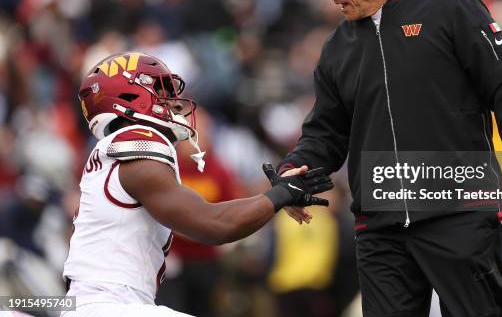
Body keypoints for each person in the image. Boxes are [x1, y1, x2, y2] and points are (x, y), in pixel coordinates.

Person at [276, 0, 502, 317]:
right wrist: (293, 173)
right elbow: (325, 133)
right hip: (379, 226)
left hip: (457, 211)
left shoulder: (452, 8)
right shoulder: (337, 46)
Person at [62, 52, 333, 317]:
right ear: (131, 98)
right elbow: (214, 223)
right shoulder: (138, 144)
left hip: (108, 302)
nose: (174, 102)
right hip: (110, 304)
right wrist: (281, 194)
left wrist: (276, 196)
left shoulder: (119, 154)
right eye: (161, 90)